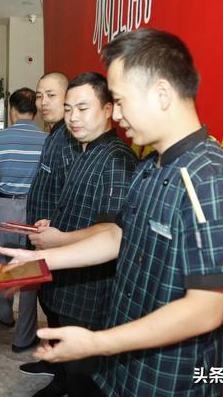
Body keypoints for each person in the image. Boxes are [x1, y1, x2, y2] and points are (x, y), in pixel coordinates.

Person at [1, 28, 223, 396]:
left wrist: (97, 344)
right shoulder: (152, 166)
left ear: (162, 94)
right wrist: (36, 261)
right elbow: (115, 236)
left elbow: (206, 310)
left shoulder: (210, 178)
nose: (116, 114)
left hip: (169, 377)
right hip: (127, 366)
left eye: (120, 101)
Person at [30, 72, 137, 396]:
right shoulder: (84, 150)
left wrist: (58, 240)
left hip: (90, 289)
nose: (73, 117)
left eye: (83, 108)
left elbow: (110, 229)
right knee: (68, 362)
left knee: (85, 378)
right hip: (68, 281)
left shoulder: (117, 159)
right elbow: (77, 209)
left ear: (108, 110)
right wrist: (53, 226)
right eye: (69, 109)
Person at [0, 87, 47, 353]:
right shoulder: (47, 139)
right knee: (30, 270)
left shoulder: (0, 137)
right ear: (36, 110)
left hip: (5, 207)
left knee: (2, 262)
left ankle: (4, 314)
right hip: (33, 211)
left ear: (12, 110)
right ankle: (24, 337)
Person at [15, 72, 71, 389]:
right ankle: (53, 362)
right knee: (48, 305)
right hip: (40, 240)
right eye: (39, 95)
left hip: (55, 243)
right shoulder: (53, 134)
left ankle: (62, 377)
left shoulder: (69, 139)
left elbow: (67, 197)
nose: (43, 102)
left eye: (51, 95)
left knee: (59, 309)